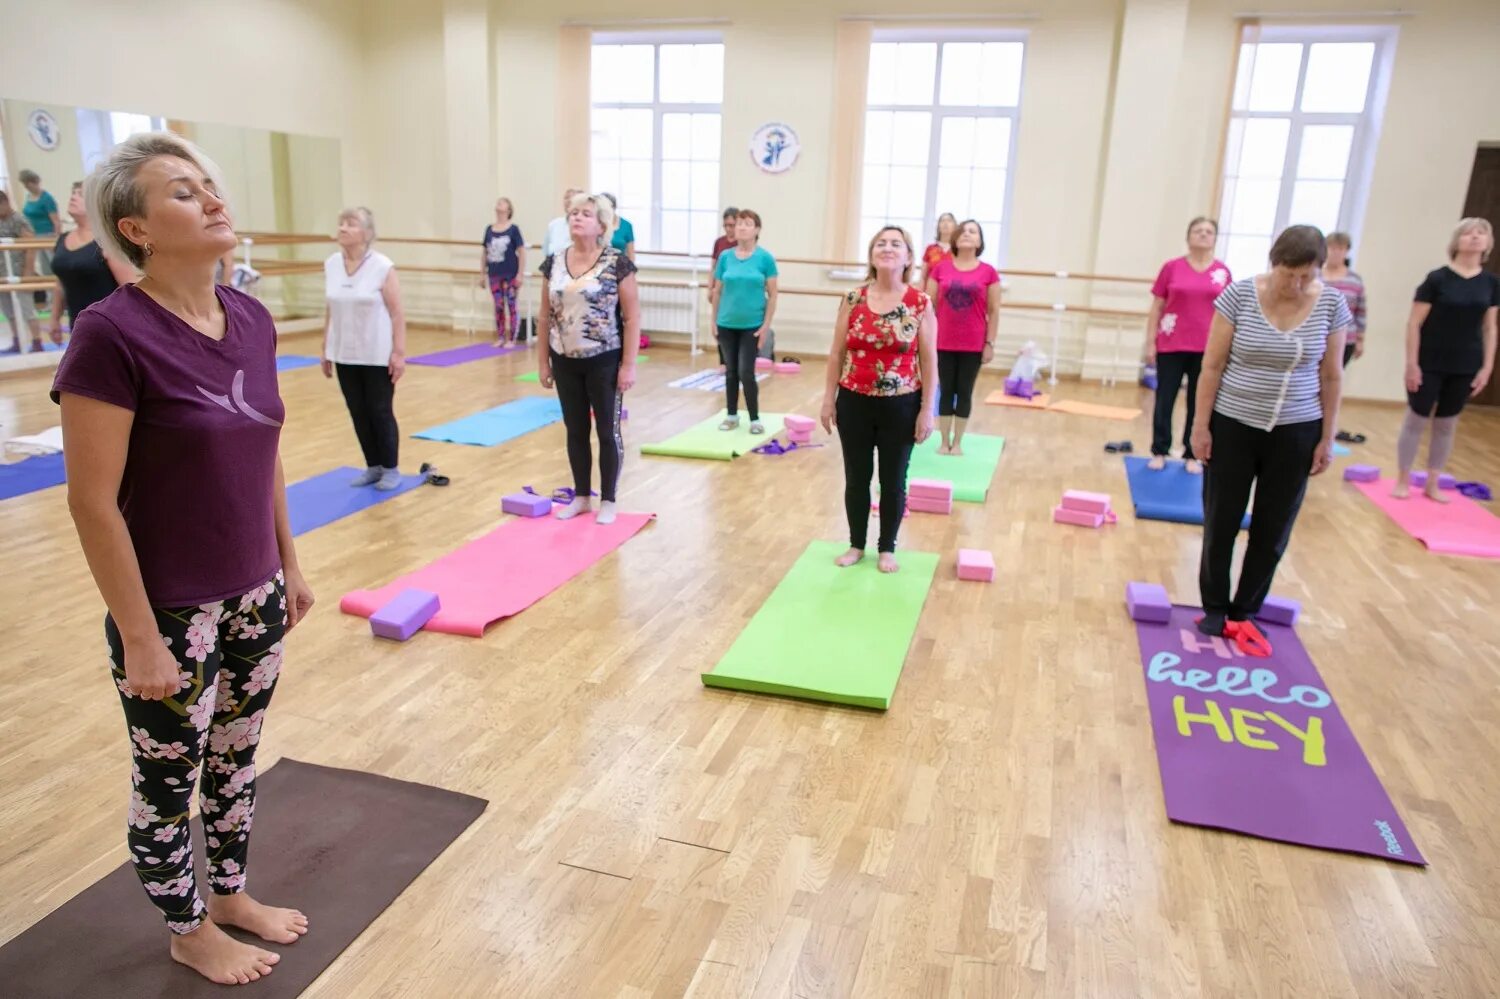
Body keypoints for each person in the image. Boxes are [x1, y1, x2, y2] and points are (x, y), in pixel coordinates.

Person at [51, 131, 314, 986]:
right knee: (168, 776)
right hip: (169, 608)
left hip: (255, 591)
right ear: (136, 229)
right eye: (183, 191)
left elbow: (264, 453)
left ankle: (231, 893)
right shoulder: (110, 334)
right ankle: (187, 925)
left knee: (237, 755)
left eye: (209, 183)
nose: (212, 198)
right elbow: (92, 500)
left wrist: (289, 567)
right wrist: (140, 634)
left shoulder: (252, 318)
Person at [1191, 225, 1352, 658]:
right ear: (1273, 263)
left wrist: (1327, 438)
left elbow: (1332, 374)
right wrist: (1200, 427)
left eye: (1306, 275)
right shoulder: (1239, 295)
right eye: (1288, 274)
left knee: (1273, 526)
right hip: (1234, 423)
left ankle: (1245, 609)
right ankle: (1214, 606)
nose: (1296, 284)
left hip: (1297, 429)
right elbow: (1212, 366)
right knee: (1221, 519)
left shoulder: (1332, 304)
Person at [819, 225, 938, 574]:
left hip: (901, 404)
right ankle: (857, 543)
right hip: (854, 400)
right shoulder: (852, 298)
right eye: (880, 244)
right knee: (856, 477)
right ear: (872, 255)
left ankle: (887, 547)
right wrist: (829, 399)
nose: (887, 248)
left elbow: (929, 361)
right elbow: (836, 352)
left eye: (895, 244)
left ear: (908, 257)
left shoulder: (920, 303)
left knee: (892, 479)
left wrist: (926, 410)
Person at [537, 192, 641, 525]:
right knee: (575, 429)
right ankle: (582, 496)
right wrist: (543, 362)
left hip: (604, 359)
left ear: (601, 225)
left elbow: (632, 317)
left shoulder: (616, 262)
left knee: (607, 431)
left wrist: (628, 364)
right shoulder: (554, 261)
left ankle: (608, 498)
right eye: (573, 213)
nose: (576, 218)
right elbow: (544, 315)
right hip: (564, 357)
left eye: (585, 214)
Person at [1394, 218, 1498, 502]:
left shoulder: (1490, 283)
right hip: (1429, 360)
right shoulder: (1437, 279)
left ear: (1488, 243)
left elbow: (1490, 328)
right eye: (1468, 233)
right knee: (1416, 418)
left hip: (1465, 363)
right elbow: (1414, 323)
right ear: (1457, 241)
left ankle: (1433, 481)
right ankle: (1403, 478)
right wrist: (1412, 363)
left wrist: (1487, 367)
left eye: (1481, 234)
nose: (1474, 237)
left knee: (1446, 423)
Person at [321, 207, 408, 490]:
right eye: (341, 223)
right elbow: (330, 308)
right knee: (357, 410)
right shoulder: (332, 263)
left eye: (351, 224)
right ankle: (373, 465)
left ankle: (391, 468)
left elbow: (397, 313)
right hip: (344, 352)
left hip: (376, 353)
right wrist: (325, 347)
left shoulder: (382, 266)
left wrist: (399, 353)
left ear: (367, 234)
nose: (343, 228)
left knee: (380, 410)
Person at [1145, 217, 1231, 474]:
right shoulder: (1172, 268)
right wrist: (1151, 342)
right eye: (1198, 231)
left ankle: (1192, 453)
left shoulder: (1222, 273)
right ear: (1188, 236)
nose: (1203, 235)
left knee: (1199, 402)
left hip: (1208, 347)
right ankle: (1160, 449)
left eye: (1209, 232)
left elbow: (1229, 313)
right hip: (1171, 343)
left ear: (1215, 239)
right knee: (1165, 399)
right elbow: (1157, 306)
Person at [925, 219, 999, 455]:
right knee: (945, 390)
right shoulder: (941, 269)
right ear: (955, 239)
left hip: (973, 343)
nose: (967, 234)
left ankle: (958, 442)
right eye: (963, 231)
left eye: (973, 231)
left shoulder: (988, 272)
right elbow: (928, 305)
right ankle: (944, 441)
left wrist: (990, 343)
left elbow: (994, 310)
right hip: (943, 341)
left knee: (964, 391)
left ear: (979, 241)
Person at [709, 209, 779, 433]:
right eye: (739, 223)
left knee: (746, 372)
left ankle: (755, 418)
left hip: (752, 325)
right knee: (730, 371)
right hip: (726, 323)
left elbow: (773, 294)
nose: (741, 227)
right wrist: (713, 320)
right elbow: (717, 291)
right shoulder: (725, 257)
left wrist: (766, 325)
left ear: (757, 230)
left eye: (748, 223)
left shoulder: (765, 258)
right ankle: (731, 415)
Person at [48, 181, 138, 341]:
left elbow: (131, 289)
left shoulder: (107, 240)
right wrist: (54, 318)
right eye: (73, 193)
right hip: (78, 324)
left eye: (80, 195)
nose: (73, 197)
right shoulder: (63, 239)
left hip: (111, 326)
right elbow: (61, 283)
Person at [1321, 232, 1366, 442]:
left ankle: (1329, 426)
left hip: (1344, 339)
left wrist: (1360, 339)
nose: (1336, 252)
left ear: (1347, 251)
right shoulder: (1315, 275)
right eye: (1332, 247)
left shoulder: (1354, 280)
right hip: (1316, 338)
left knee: (1333, 380)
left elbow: (1360, 310)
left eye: (1341, 248)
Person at [0, 189, 42, 353]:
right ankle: (16, 340)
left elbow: (31, 248)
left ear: (5, 203)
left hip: (20, 272)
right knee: (8, 310)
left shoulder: (19, 220)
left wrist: (28, 273)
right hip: (3, 273)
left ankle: (37, 341)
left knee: (27, 309)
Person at [481, 197, 526, 345]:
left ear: (508, 209)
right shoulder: (489, 229)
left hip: (510, 274)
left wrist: (520, 274)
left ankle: (512, 338)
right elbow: (484, 253)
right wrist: (482, 273)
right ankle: (501, 337)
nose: (499, 204)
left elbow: (521, 252)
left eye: (502, 202)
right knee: (498, 305)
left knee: (511, 305)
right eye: (497, 202)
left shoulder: (514, 229)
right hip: (494, 273)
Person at [19, 169, 60, 306]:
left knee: (55, 269)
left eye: (28, 183)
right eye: (25, 184)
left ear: (34, 182)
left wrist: (57, 240)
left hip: (47, 236)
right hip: (34, 238)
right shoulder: (28, 197)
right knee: (45, 271)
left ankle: (61, 301)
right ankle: (50, 301)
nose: (27, 186)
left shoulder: (46, 198)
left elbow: (56, 221)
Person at [540, 187, 581, 265]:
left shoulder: (582, 224)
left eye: (572, 197)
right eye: (566, 198)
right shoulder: (554, 224)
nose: (568, 201)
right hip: (555, 267)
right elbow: (546, 250)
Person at [919, 213, 956, 285]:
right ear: (938, 226)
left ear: (955, 226)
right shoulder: (930, 249)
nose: (946, 223)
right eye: (942, 221)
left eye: (949, 221)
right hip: (930, 291)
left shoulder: (959, 250)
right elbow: (923, 277)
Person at [601, 192, 636, 260]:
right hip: (598, 267)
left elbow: (631, 255)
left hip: (620, 267)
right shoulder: (596, 225)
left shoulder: (626, 225)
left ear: (613, 207)